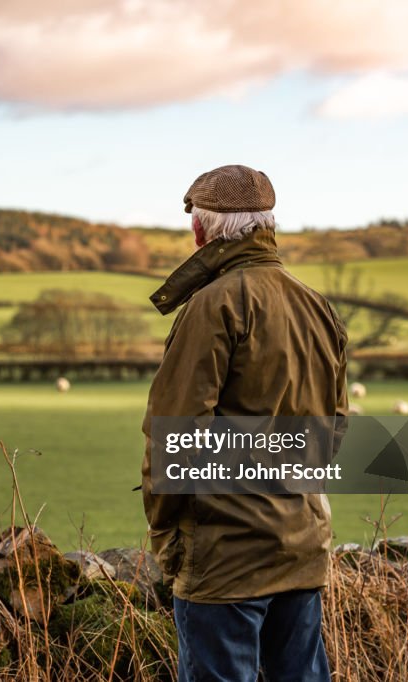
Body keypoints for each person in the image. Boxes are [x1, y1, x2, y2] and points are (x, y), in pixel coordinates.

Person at [141, 165, 348, 681]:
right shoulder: (316, 307)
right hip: (301, 547)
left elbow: (176, 439)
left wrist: (167, 536)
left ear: (200, 231)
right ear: (267, 226)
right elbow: (332, 434)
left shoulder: (211, 306)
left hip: (225, 559)